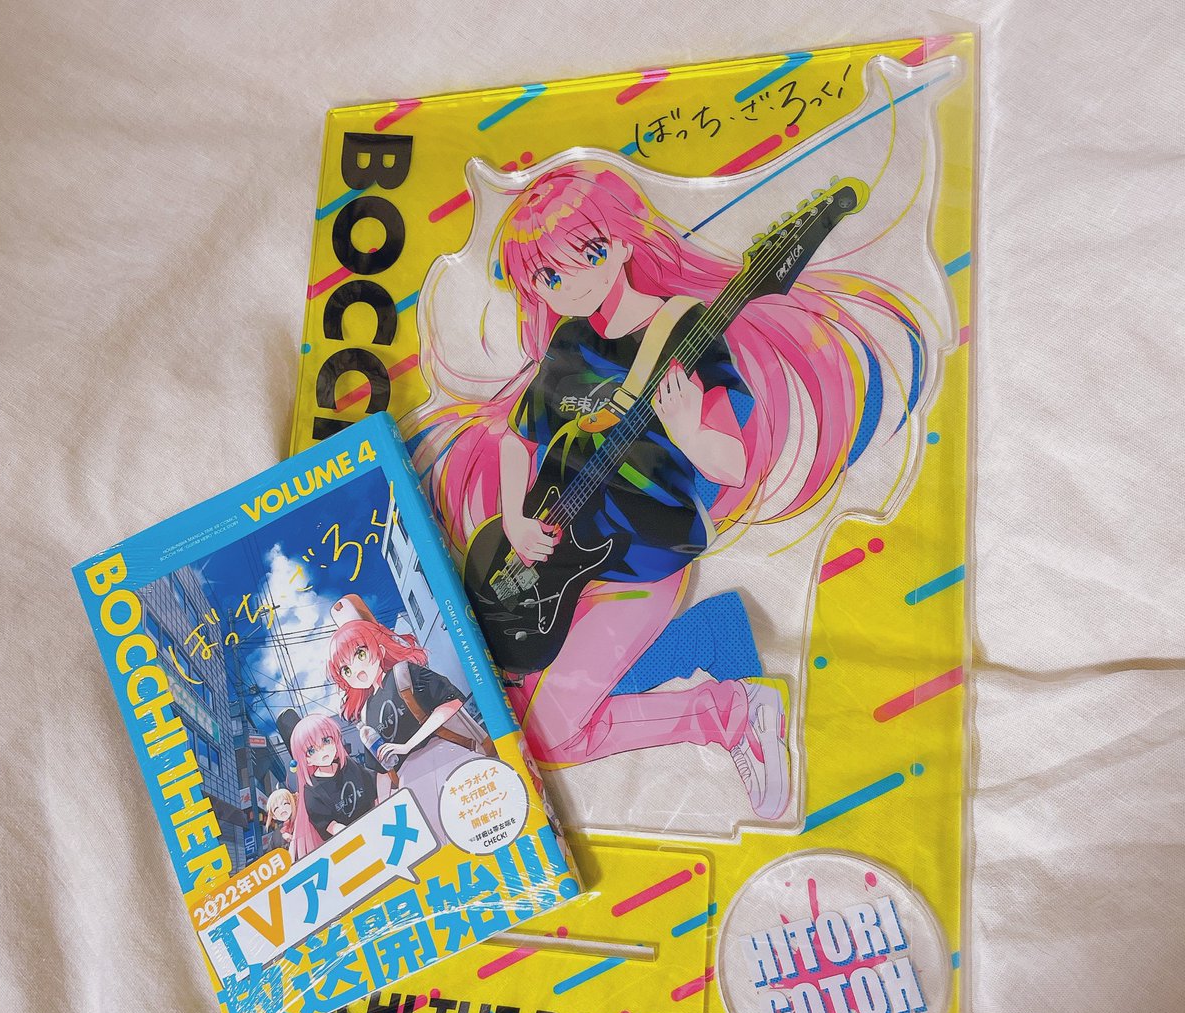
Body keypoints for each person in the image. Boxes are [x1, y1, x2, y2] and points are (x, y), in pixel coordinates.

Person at [405, 161, 929, 820]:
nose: (571, 283)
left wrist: (690, 431)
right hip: (552, 558)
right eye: (548, 277)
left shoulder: (685, 330)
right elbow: (516, 437)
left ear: (623, 243)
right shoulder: (568, 343)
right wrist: (513, 518)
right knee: (517, 706)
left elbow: (733, 465)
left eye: (588, 254)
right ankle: (712, 639)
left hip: (639, 562)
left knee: (550, 732)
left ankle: (732, 712)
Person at [327, 613, 489, 842]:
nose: (357, 671)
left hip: (447, 756)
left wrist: (408, 745)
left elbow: (450, 702)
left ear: (379, 649)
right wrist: (386, 810)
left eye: (360, 654)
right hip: (412, 782)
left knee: (476, 822)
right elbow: (381, 769)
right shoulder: (366, 712)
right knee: (442, 840)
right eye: (346, 670)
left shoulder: (403, 673)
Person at [287, 713, 379, 858]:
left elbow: (373, 789)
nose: (322, 750)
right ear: (307, 760)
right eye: (311, 750)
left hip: (376, 825)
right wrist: (345, 832)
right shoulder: (312, 790)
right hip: (350, 846)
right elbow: (327, 824)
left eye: (326, 741)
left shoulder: (350, 766)